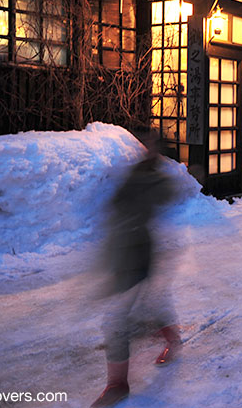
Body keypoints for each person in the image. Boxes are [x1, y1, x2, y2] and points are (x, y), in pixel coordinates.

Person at [91, 130, 181, 408]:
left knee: (118, 320)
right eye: (147, 145)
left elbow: (166, 197)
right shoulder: (136, 173)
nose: (148, 149)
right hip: (123, 249)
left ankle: (118, 385)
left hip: (141, 251)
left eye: (154, 146)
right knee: (149, 305)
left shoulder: (158, 179)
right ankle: (174, 339)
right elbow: (116, 204)